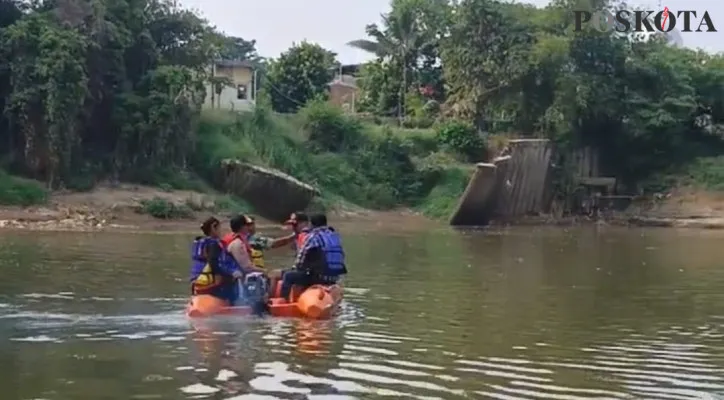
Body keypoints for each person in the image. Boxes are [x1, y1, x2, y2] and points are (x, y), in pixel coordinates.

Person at [279, 213, 347, 301]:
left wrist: (297, 269)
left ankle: (283, 302)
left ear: (311, 224)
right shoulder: (335, 236)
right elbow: (341, 256)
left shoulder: (313, 236)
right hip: (334, 278)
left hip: (318, 278)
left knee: (288, 276)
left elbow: (301, 259)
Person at [190, 217, 243, 305]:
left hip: (196, 280)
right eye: (219, 228)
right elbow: (213, 263)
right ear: (213, 228)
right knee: (233, 278)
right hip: (211, 283)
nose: (221, 231)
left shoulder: (199, 242)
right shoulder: (213, 244)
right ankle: (232, 302)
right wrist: (232, 273)